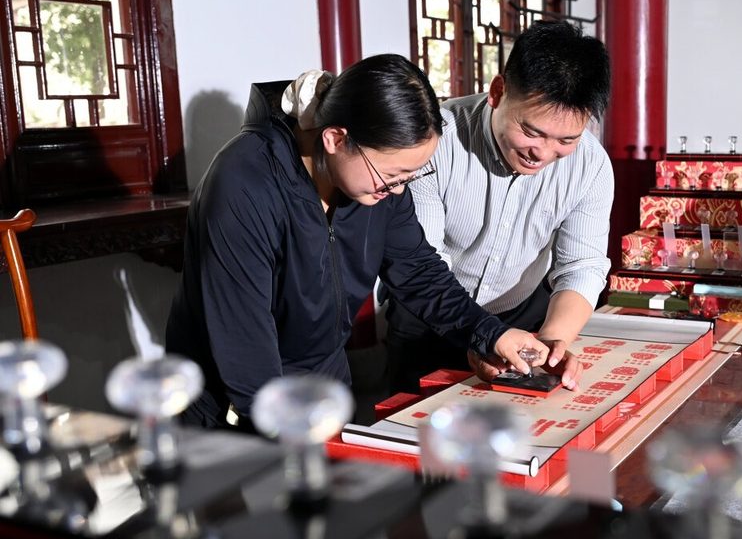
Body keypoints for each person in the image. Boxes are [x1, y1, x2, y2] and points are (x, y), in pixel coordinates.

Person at [166, 55, 547, 429]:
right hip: (233, 400)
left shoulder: (375, 186)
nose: (398, 190)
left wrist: (491, 333)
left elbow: (418, 272)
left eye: (410, 176)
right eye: (393, 175)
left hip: (322, 385)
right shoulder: (244, 184)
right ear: (335, 139)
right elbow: (242, 335)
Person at [386, 20, 613, 394]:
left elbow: (582, 265)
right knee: (413, 420)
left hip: (521, 315)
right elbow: (423, 261)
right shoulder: (434, 140)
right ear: (497, 92)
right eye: (532, 132)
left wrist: (551, 345)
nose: (542, 153)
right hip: (428, 313)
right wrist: (480, 335)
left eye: (566, 140)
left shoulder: (590, 164)